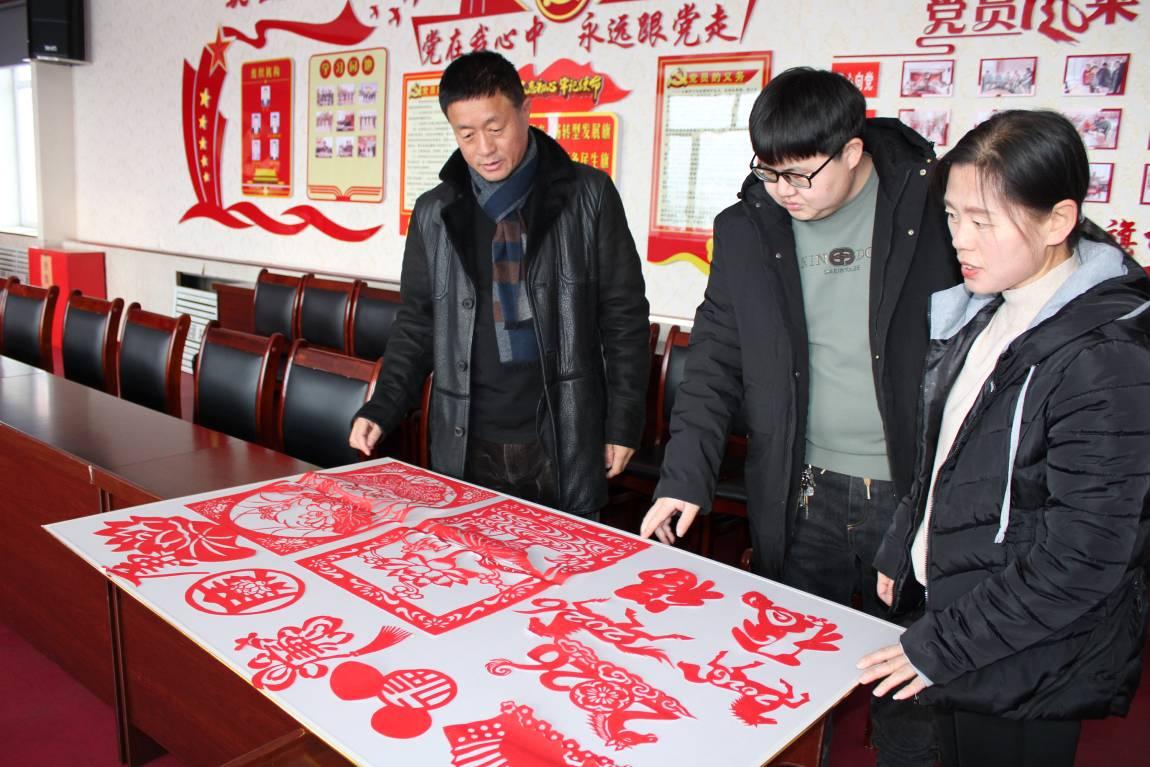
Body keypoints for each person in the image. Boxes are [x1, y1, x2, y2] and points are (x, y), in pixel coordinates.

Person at [640, 67, 960, 765]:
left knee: (914, 684)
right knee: (786, 670)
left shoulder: (934, 208)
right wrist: (684, 477)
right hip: (799, 488)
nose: (783, 191)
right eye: (769, 171)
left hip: (910, 495)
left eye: (799, 175)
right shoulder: (747, 227)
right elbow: (716, 357)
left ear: (852, 150)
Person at [858, 109, 1150, 767]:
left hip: (1031, 653)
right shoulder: (986, 311)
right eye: (952, 216)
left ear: (1058, 220)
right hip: (965, 616)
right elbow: (947, 457)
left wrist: (940, 647)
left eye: (983, 221)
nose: (960, 239)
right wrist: (903, 543)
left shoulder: (1104, 357)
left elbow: (1084, 558)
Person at [348, 50, 650, 515]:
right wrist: (382, 406)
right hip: (467, 437)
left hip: (563, 437)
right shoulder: (436, 213)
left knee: (565, 558)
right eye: (466, 134)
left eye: (496, 128)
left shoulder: (588, 196)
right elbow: (417, 323)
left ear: (525, 111)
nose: (484, 149)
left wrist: (623, 423)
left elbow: (624, 317)